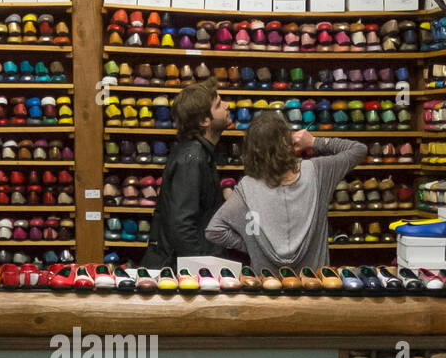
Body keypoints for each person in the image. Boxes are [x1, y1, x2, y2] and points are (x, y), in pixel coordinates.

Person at [205, 108, 367, 274]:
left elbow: (214, 230)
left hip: (268, 286)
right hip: (315, 284)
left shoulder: (247, 187)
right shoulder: (318, 171)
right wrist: (313, 141)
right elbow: (358, 149)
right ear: (286, 141)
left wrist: (253, 245)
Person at [141, 82, 232, 268]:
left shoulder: (198, 153)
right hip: (184, 269)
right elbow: (181, 225)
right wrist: (202, 269)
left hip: (188, 262)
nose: (227, 106)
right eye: (218, 105)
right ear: (204, 121)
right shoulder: (193, 158)